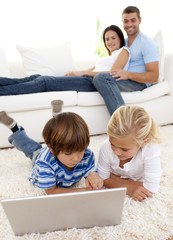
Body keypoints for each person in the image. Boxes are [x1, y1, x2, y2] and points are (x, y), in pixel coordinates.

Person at [0, 100, 103, 194]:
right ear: (52, 149)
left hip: (56, 148)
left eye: (80, 151)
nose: (76, 158)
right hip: (40, 156)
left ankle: (57, 117)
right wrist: (83, 191)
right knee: (30, 147)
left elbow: (90, 171)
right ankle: (15, 128)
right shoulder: (45, 163)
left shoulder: (87, 154)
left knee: (57, 136)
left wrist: (93, 174)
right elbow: (51, 191)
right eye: (68, 153)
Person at [0, 25, 130, 96]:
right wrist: (74, 73)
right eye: (107, 39)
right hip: (87, 79)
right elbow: (91, 70)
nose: (110, 42)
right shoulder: (107, 57)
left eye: (113, 38)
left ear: (120, 38)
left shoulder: (124, 51)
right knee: (36, 77)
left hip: (93, 83)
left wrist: (80, 74)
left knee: (44, 82)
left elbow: (111, 74)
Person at [93, 6, 159, 115]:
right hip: (121, 77)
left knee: (101, 78)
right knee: (91, 79)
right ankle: (54, 82)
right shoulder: (124, 42)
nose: (129, 24)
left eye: (133, 20)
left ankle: (123, 123)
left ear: (140, 21)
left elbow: (154, 76)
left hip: (138, 82)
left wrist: (128, 74)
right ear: (122, 22)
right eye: (126, 21)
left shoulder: (147, 43)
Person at [97, 105, 162, 202]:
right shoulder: (106, 147)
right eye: (113, 144)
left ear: (143, 142)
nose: (116, 152)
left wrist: (113, 178)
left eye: (124, 149)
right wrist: (129, 189)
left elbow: (151, 188)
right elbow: (102, 179)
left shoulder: (151, 149)